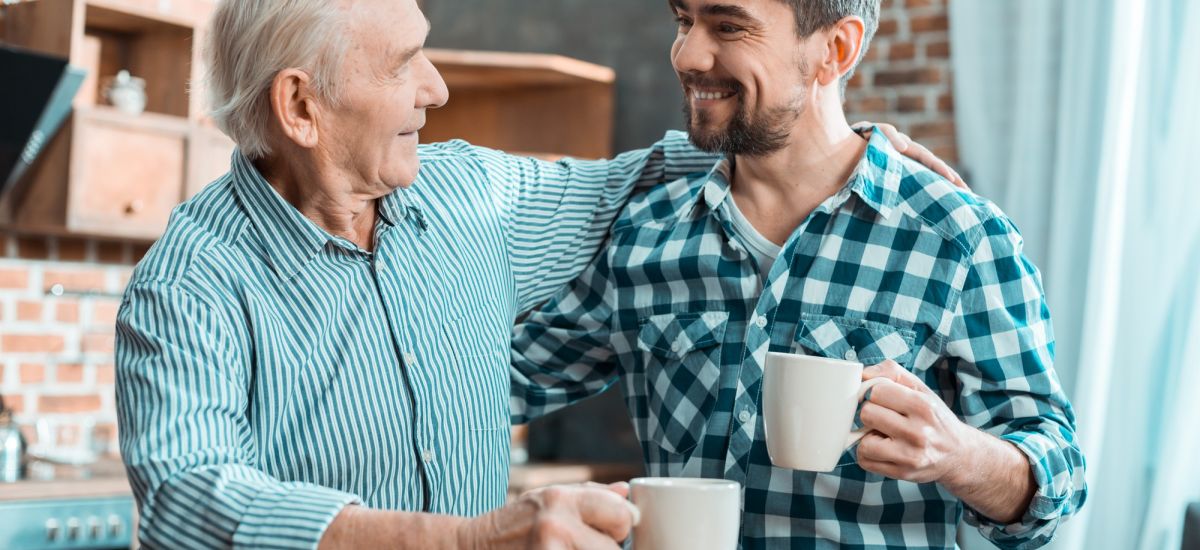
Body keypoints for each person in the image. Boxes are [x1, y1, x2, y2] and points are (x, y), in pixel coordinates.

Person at [114, 0, 956, 548]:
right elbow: (190, 502)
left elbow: (639, 175)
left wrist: (840, 147)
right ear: (300, 107)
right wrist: (469, 541)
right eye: (403, 64)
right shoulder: (192, 283)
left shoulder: (469, 195)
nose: (436, 88)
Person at [510, 0, 1087, 548]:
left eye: (728, 26)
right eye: (684, 20)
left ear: (835, 49)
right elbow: (496, 387)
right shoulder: (645, 232)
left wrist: (961, 454)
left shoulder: (959, 238)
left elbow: (1055, 478)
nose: (686, 55)